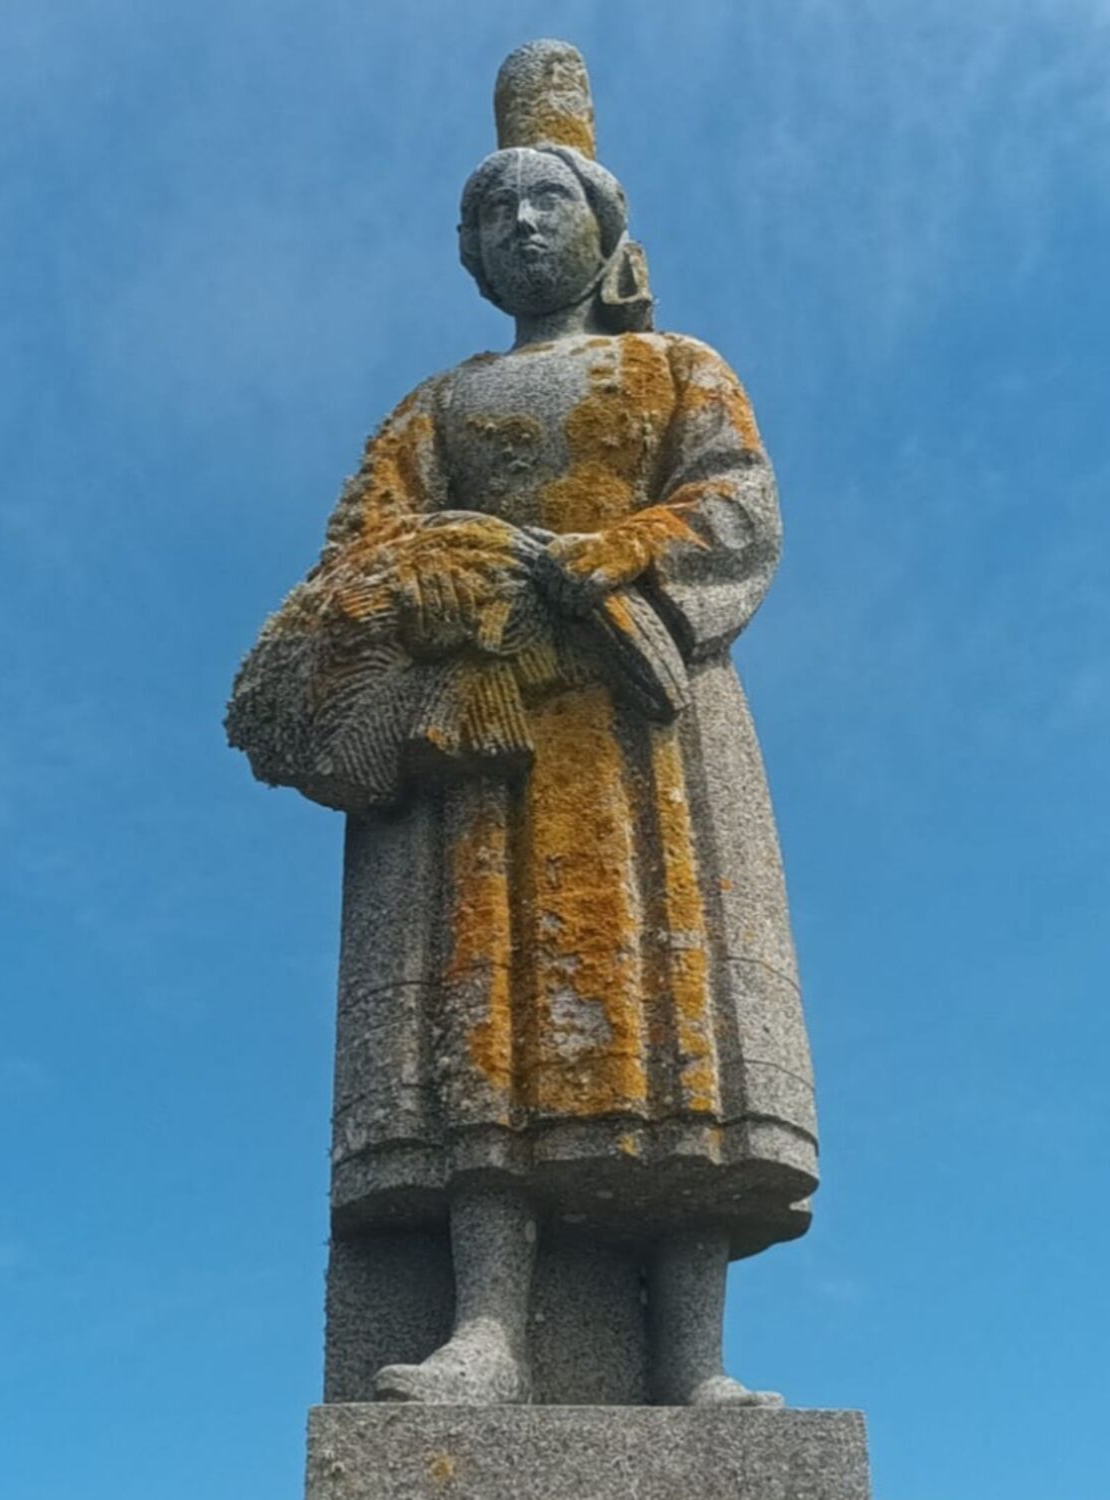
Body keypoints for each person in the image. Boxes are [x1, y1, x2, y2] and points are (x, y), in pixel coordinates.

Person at [228, 40, 818, 1407]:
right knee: (482, 1029)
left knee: (673, 1036)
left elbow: (739, 505)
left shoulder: (676, 370)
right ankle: (485, 1328)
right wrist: (446, 582)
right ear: (471, 255)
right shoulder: (433, 409)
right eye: (490, 214)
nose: (520, 226)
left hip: (640, 721)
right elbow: (355, 559)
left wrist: (610, 559)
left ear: (605, 228)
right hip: (479, 738)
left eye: (543, 202)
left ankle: (696, 1360)